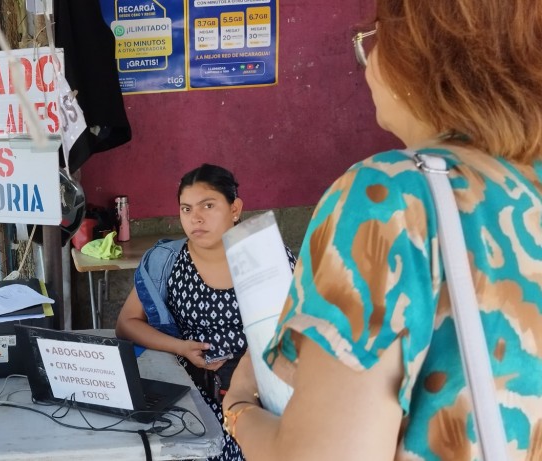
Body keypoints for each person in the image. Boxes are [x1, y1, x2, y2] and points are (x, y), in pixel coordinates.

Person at [223, 1, 542, 459]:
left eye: (375, 38)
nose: (368, 62)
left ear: (419, 55)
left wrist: (238, 407)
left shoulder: (391, 199)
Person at [115, 164, 295, 461]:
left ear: (235, 208)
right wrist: (181, 348)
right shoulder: (166, 262)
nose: (195, 218)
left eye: (208, 205)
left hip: (258, 401)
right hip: (191, 398)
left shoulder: (267, 257)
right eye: (186, 209)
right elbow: (126, 324)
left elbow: (298, 326)